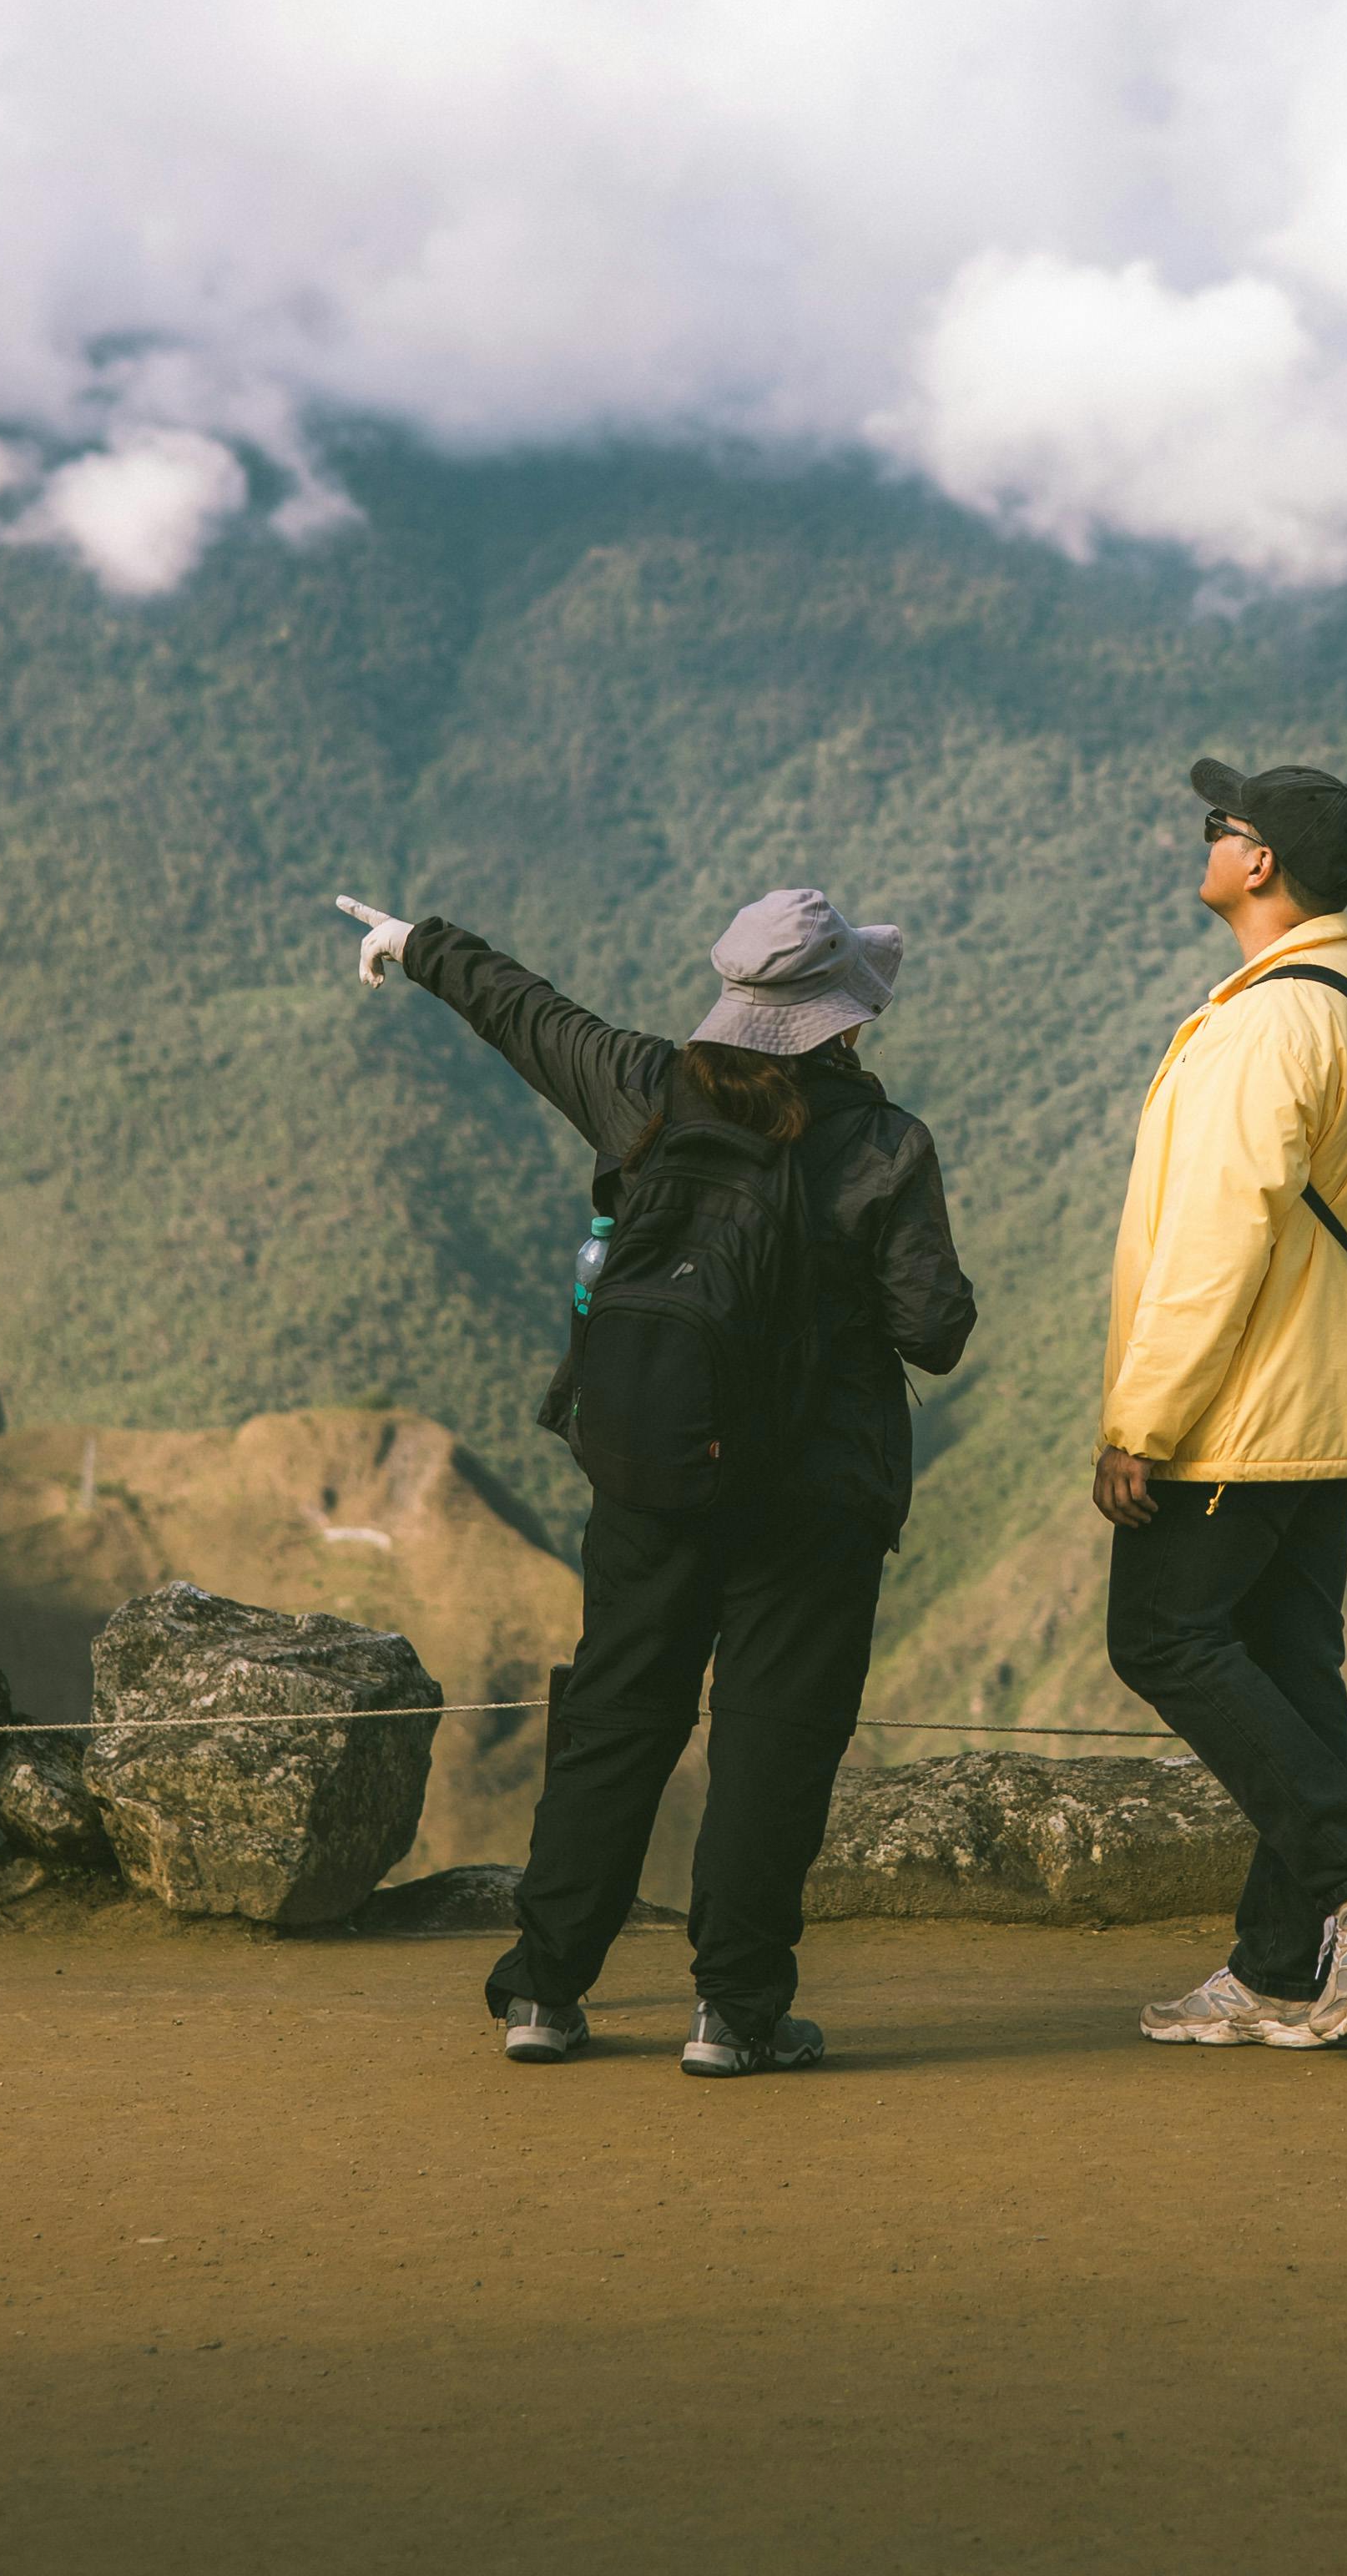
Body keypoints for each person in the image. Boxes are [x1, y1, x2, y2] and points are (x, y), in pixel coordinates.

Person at [349, 882, 973, 2077]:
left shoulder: (642, 1086)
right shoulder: (886, 1146)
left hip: (650, 1469)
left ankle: (544, 1988)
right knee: (770, 1741)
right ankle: (735, 2013)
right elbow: (933, 1326)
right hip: (811, 1497)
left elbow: (526, 1013)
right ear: (842, 1020)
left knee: (616, 1721)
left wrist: (415, 944)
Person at [1095, 756, 1347, 2049]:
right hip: (1330, 1392)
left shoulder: (1263, 1025)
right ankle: (1276, 1967)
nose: (1203, 840)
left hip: (1246, 1404)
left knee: (1162, 1637)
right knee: (1294, 1669)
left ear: (1261, 867)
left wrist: (1143, 1424)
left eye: (1221, 826)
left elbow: (1216, 1243)